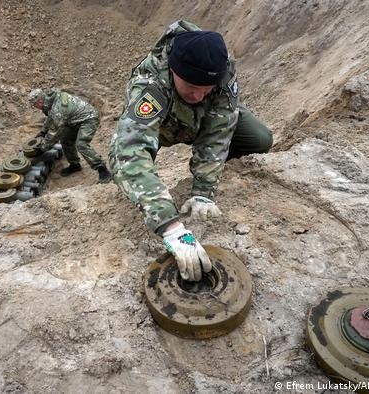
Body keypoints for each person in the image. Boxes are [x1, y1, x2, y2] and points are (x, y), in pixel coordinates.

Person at [109, 20, 273, 282]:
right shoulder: (151, 85)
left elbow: (220, 129)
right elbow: (129, 151)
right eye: (192, 87)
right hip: (164, 124)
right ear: (174, 71)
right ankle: (147, 196)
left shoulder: (221, 68)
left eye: (205, 89)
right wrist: (171, 227)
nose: (198, 95)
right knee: (132, 167)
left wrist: (204, 192)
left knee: (259, 138)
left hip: (201, 121)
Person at [27, 88, 112, 183]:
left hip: (89, 118)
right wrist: (43, 131)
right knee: (65, 139)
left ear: (40, 101)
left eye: (35, 105)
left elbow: (54, 133)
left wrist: (42, 148)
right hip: (74, 119)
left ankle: (102, 169)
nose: (35, 107)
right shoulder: (51, 100)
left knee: (81, 144)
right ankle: (75, 164)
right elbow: (51, 117)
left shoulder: (58, 109)